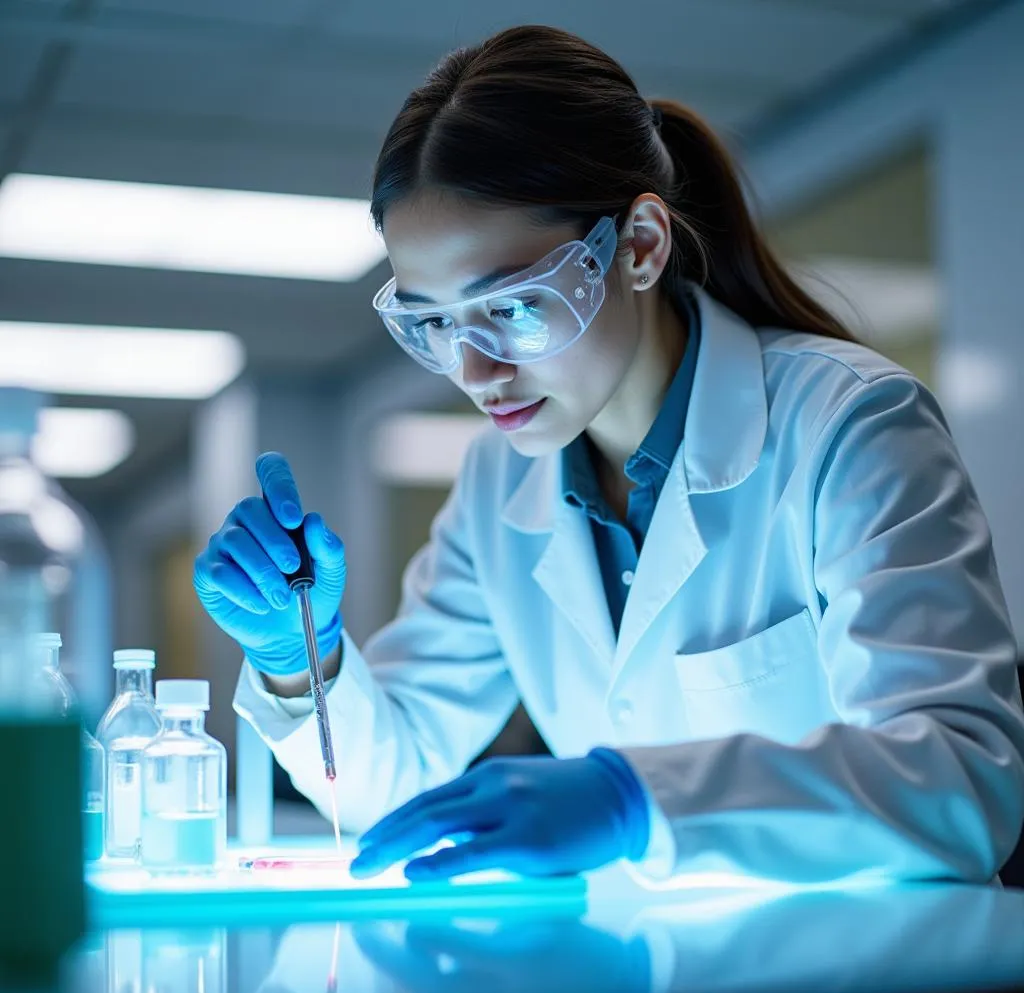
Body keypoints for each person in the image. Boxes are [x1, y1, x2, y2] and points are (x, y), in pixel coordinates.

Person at [194, 25, 1024, 886]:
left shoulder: (848, 421)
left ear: (638, 247)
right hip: (644, 970)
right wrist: (303, 664)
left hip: (871, 977)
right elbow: (397, 790)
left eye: (514, 308)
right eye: (434, 323)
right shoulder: (497, 480)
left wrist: (636, 801)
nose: (474, 372)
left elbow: (962, 780)